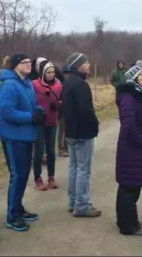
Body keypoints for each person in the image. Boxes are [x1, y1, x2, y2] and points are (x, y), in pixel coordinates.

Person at [0, 52, 46, 232]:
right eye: (24, 62)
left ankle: (18, 208)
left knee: (24, 174)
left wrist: (39, 111)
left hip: (26, 135)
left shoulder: (26, 83)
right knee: (17, 175)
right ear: (16, 65)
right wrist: (30, 117)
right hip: (13, 137)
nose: (29, 65)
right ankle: (12, 216)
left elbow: (31, 105)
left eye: (29, 62)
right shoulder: (9, 85)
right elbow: (7, 112)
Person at [115, 65, 142, 236]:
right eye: (141, 75)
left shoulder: (135, 95)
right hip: (131, 148)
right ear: (132, 78)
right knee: (130, 188)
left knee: (129, 186)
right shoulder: (128, 98)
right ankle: (129, 226)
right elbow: (128, 127)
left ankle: (125, 221)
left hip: (133, 147)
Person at [61, 52, 101, 218]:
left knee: (74, 167)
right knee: (83, 169)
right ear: (78, 66)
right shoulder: (81, 85)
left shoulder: (67, 83)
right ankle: (82, 205)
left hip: (70, 132)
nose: (88, 65)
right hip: (82, 133)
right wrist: (95, 124)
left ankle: (73, 202)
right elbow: (86, 110)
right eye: (85, 63)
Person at [32, 61, 62, 191]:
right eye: (48, 72)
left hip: (53, 121)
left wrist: (59, 104)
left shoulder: (58, 85)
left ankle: (51, 177)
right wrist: (37, 110)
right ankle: (38, 178)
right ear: (43, 73)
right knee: (38, 150)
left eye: (52, 72)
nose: (51, 75)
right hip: (40, 122)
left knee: (51, 150)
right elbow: (30, 101)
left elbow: (63, 99)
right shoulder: (34, 85)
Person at [57, 65, 71, 157]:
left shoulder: (70, 83)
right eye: (65, 73)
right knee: (62, 130)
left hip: (69, 109)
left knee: (67, 129)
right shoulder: (60, 83)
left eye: (68, 73)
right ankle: (61, 149)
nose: (67, 75)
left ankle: (66, 147)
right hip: (61, 110)